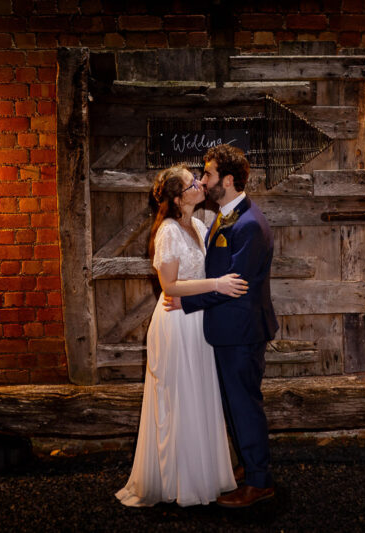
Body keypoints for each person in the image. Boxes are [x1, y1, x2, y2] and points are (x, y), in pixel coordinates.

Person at [115, 164, 246, 507]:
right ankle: (177, 480)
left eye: (199, 179)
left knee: (199, 394)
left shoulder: (199, 225)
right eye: (192, 183)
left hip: (196, 320)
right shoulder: (169, 232)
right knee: (178, 396)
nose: (200, 184)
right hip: (175, 323)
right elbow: (169, 286)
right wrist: (217, 285)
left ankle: (205, 474)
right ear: (177, 198)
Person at [164, 145, 279, 508]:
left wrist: (187, 301)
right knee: (234, 404)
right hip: (228, 331)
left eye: (209, 174)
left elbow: (236, 284)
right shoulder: (225, 215)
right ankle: (249, 464)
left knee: (245, 405)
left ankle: (260, 481)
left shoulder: (249, 225)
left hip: (242, 332)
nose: (203, 180)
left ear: (227, 181)